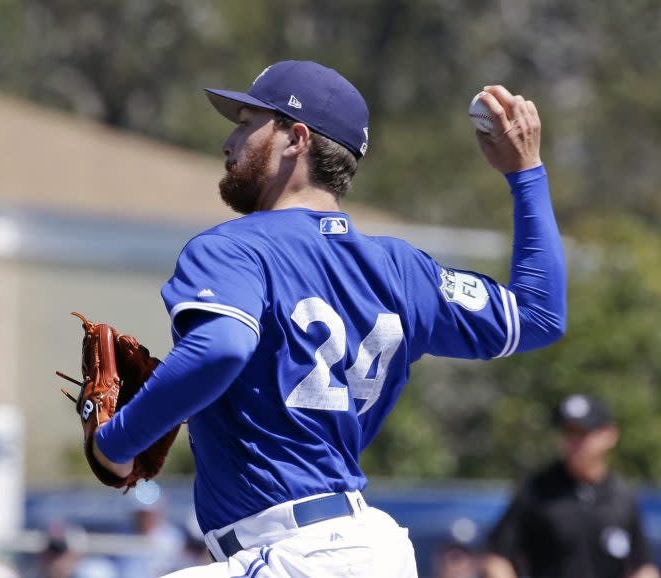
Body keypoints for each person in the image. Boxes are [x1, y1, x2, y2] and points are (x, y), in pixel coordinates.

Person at [88, 60, 567, 577]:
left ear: (296, 138)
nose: (230, 141)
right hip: (369, 551)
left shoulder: (234, 250)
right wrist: (526, 174)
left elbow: (220, 348)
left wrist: (113, 444)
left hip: (294, 555)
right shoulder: (404, 270)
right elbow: (538, 315)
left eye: (248, 122)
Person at [481, 394, 660, 578]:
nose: (573, 443)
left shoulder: (621, 497)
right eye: (568, 433)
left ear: (609, 435)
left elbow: (642, 566)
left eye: (582, 434)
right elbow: (497, 556)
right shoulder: (538, 490)